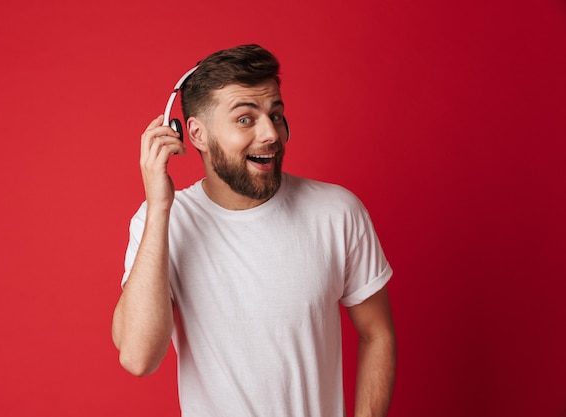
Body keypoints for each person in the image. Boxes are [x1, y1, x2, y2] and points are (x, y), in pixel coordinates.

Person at [112, 44, 396, 417]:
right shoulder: (161, 222)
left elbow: (378, 334)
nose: (270, 134)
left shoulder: (337, 212)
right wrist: (161, 207)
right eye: (246, 119)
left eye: (275, 115)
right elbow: (138, 357)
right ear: (195, 134)